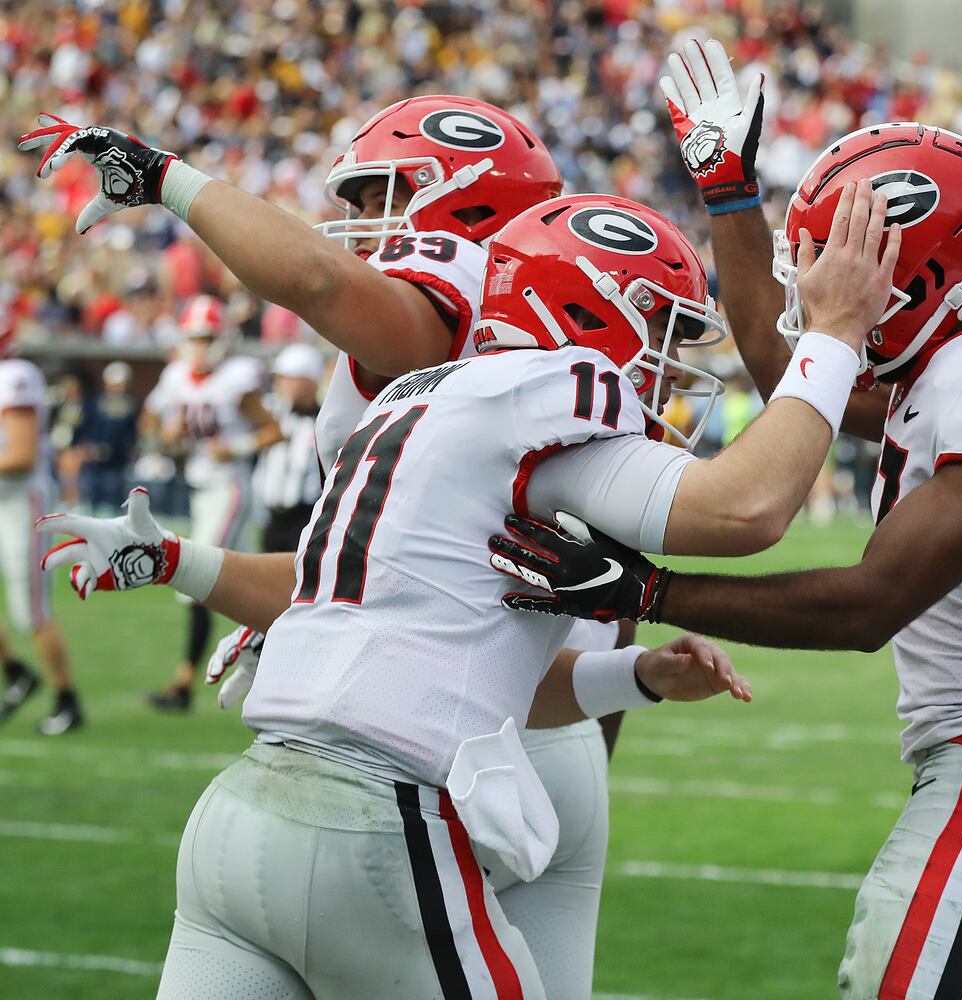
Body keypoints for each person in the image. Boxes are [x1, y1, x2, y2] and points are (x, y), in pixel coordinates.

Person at [486, 43, 962, 1000]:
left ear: (917, 272)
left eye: (843, 268)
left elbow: (867, 606)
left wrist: (647, 592)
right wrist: (729, 195)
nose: (822, 293)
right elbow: (789, 374)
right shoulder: (959, 362)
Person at [37, 183, 894, 999]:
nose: (670, 372)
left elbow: (474, 674)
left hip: (240, 819)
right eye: (662, 330)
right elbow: (747, 507)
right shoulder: (549, 400)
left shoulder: (416, 403)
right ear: (589, 313)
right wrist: (831, 337)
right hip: (376, 827)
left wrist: (635, 676)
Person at [21, 97, 693, 1000]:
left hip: (436, 750)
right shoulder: (559, 372)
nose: (359, 218)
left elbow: (318, 279)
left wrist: (165, 178)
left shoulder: (463, 299)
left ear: (462, 198)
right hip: (535, 726)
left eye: (382, 191)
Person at [140, 294, 283, 709]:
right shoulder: (175, 376)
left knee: (195, 578)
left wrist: (236, 447)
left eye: (207, 338)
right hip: (198, 489)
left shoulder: (236, 377)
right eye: (195, 338)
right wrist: (165, 435)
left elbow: (274, 430)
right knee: (259, 586)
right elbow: (150, 421)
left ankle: (184, 683)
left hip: (230, 487)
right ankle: (277, 656)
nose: (200, 346)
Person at [0, 327, 80, 734]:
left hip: (20, 502)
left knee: (30, 609)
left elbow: (21, 455)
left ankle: (67, 699)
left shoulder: (14, 376)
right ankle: (16, 672)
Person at [254, 343, 326, 553]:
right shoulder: (274, 411)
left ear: (310, 380)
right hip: (273, 516)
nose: (281, 384)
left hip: (306, 516)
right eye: (280, 378)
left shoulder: (323, 419)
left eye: (290, 378)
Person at [75, 361, 140, 514]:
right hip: (92, 464)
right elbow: (81, 429)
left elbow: (132, 435)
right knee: (89, 505)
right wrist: (86, 448)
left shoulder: (130, 406)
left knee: (113, 507)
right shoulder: (93, 404)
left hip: (116, 464)